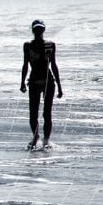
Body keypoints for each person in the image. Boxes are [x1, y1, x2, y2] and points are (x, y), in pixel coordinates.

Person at [20, 19, 63, 149]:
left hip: (48, 82)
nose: (38, 32)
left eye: (40, 29)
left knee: (46, 113)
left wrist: (60, 86)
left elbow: (54, 65)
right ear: (33, 31)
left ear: (43, 30)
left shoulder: (50, 45)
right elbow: (25, 65)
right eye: (36, 29)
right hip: (33, 82)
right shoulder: (27, 45)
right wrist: (22, 82)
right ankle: (36, 138)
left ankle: (45, 140)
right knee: (34, 113)